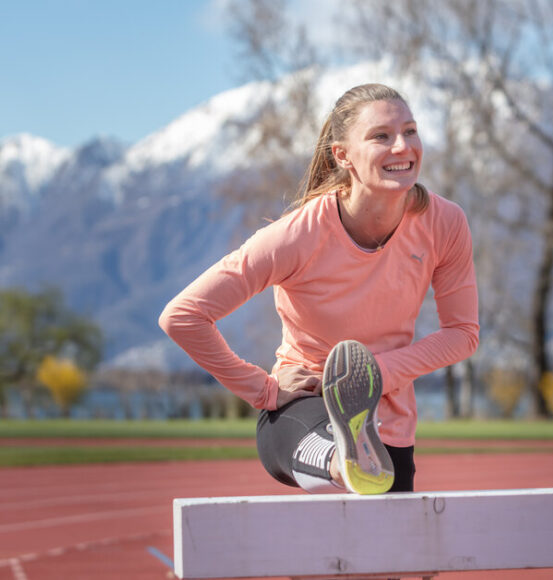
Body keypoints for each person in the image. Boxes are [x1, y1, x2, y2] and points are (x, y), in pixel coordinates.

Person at [159, 83, 478, 494]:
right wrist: (263, 389)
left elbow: (462, 334)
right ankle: (339, 462)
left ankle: (355, 458)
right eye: (381, 136)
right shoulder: (296, 235)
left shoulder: (444, 223)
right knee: (343, 468)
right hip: (303, 410)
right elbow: (183, 316)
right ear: (343, 155)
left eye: (411, 131)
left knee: (387, 556)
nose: (402, 146)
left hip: (390, 428)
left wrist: (375, 375)